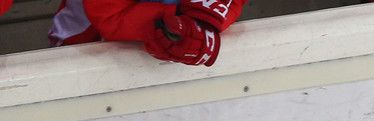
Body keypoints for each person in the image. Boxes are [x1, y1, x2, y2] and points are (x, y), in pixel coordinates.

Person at [50, 0, 245, 66]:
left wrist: (205, 19)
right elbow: (110, 16)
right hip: (82, 49)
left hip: (156, 63)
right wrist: (175, 24)